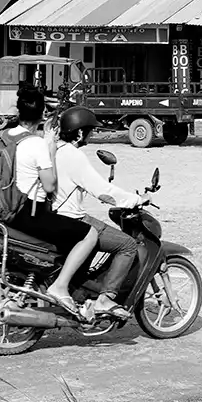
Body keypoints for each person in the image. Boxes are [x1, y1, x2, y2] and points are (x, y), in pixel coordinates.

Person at [6, 84, 100, 320]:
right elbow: (49, 185)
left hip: (4, 207)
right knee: (89, 234)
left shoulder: (5, 136)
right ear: (42, 114)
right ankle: (60, 286)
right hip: (28, 212)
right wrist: (49, 147)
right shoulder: (36, 143)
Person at [51, 105, 145, 317]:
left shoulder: (52, 150)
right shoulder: (73, 156)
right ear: (80, 132)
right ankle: (105, 299)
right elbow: (102, 191)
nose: (91, 135)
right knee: (128, 245)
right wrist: (135, 199)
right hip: (71, 218)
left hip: (52, 217)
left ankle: (82, 288)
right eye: (90, 131)